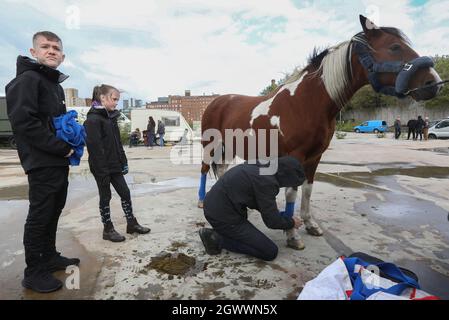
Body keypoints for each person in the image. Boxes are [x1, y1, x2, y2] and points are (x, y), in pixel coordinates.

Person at [5, 31, 80, 293]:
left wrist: (71, 137)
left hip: (56, 160)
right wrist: (61, 148)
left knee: (54, 210)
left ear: (63, 55)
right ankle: (34, 271)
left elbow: (54, 123)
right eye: (45, 47)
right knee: (40, 215)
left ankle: (48, 257)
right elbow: (25, 124)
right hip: (42, 161)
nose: (51, 51)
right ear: (33, 51)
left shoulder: (54, 85)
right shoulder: (26, 80)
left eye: (56, 48)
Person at [199, 156, 304, 261]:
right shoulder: (267, 182)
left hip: (215, 206)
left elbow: (262, 206)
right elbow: (271, 222)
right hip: (223, 216)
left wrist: (279, 216)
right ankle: (216, 239)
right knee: (269, 251)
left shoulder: (260, 166)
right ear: (286, 178)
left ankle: (224, 233)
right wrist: (291, 223)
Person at [84, 85, 150, 243]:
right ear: (103, 98)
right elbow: (95, 150)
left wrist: (123, 161)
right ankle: (107, 229)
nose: (116, 104)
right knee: (105, 196)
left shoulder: (110, 118)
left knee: (125, 193)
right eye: (114, 99)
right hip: (102, 168)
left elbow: (118, 144)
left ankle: (131, 224)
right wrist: (102, 172)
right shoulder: (92, 120)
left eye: (117, 100)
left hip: (115, 165)